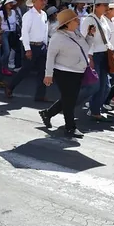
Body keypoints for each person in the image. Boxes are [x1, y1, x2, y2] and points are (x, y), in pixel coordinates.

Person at [39, 9, 90, 138]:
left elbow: (85, 47)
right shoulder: (58, 37)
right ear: (67, 23)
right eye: (75, 19)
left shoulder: (77, 33)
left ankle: (48, 113)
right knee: (69, 100)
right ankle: (70, 127)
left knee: (69, 98)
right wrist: (48, 74)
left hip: (78, 71)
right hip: (64, 72)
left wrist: (90, 36)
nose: (78, 21)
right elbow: (50, 56)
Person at [6, 0, 49, 102]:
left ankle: (40, 95)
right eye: (41, 0)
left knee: (43, 71)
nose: (44, 2)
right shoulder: (28, 15)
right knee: (25, 70)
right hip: (31, 45)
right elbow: (25, 33)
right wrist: (28, 49)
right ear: (34, 1)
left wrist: (46, 44)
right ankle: (10, 87)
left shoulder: (44, 14)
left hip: (42, 46)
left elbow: (45, 31)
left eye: (44, 0)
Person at [81, 0, 114, 122]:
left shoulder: (103, 19)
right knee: (97, 85)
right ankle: (94, 110)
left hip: (104, 54)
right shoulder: (89, 20)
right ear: (97, 6)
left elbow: (109, 35)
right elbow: (83, 39)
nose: (107, 7)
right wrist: (89, 56)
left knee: (106, 86)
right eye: (105, 5)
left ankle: (94, 108)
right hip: (94, 55)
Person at [0, 0, 21, 75]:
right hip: (4, 33)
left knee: (13, 50)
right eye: (9, 3)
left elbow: (15, 23)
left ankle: (4, 67)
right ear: (5, 5)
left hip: (12, 33)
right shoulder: (1, 13)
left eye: (11, 3)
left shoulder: (13, 12)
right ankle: (1, 66)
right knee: (7, 52)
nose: (11, 4)